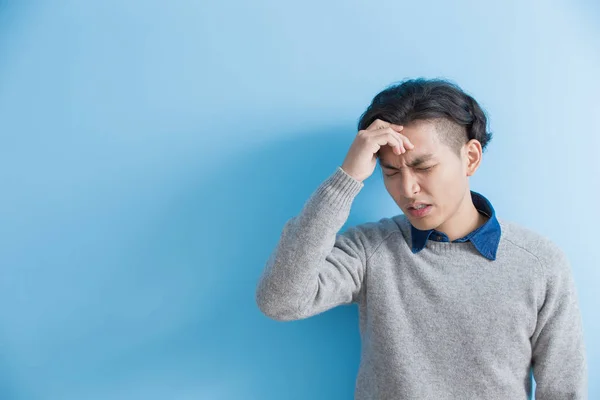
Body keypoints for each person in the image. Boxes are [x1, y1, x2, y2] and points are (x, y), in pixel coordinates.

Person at [255, 78, 588, 399]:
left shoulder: (540, 264)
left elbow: (563, 392)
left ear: (470, 158)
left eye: (424, 167)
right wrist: (348, 178)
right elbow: (280, 301)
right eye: (391, 172)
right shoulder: (371, 249)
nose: (408, 189)